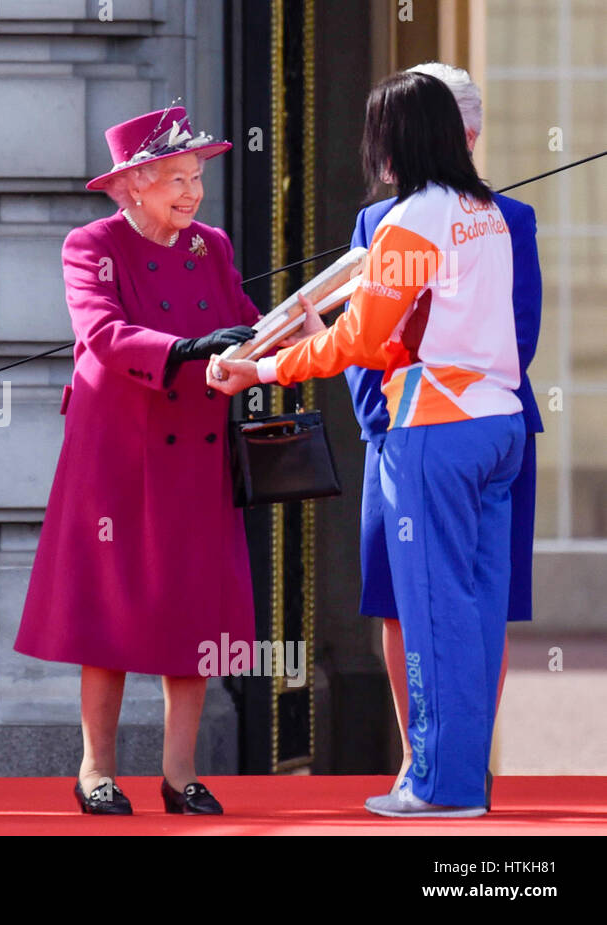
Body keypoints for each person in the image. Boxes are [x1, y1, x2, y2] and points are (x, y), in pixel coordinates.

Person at [209, 71, 524, 818]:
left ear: (395, 141)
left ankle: (437, 787)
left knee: (432, 609)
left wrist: (265, 366)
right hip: (497, 425)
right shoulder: (487, 211)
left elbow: (360, 337)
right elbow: (423, 329)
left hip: (434, 433)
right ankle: (465, 781)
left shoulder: (411, 221)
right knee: (475, 613)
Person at [14, 105, 263, 816]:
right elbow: (100, 332)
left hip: (196, 452)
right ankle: (96, 767)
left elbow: (243, 315)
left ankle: (180, 772)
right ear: (133, 187)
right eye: (177, 179)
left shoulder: (209, 245)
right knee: (112, 612)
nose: (192, 192)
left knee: (197, 611)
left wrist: (287, 330)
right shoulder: (91, 242)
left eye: (196, 178)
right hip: (119, 455)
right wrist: (184, 348)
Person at [343, 63, 542, 806]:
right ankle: (430, 761)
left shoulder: (491, 216)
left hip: (444, 424)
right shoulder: (398, 218)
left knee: (453, 600)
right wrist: (384, 424)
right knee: (419, 602)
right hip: (422, 429)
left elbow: (516, 333)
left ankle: (450, 768)